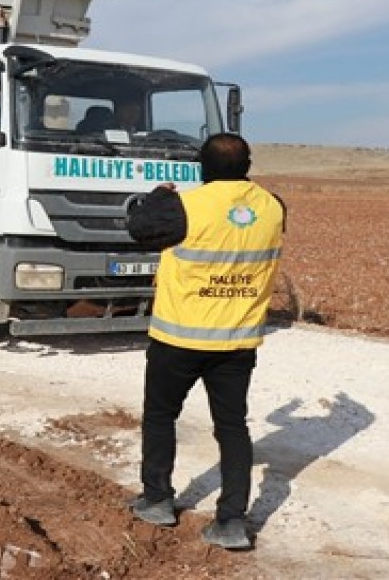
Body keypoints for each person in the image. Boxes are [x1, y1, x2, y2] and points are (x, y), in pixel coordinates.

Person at [124, 133, 285, 551]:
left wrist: (157, 196)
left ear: (202, 166)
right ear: (248, 164)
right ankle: (231, 522)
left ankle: (158, 500)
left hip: (179, 338)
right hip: (237, 343)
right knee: (232, 428)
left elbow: (139, 228)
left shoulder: (186, 206)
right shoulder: (273, 208)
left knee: (160, 416)